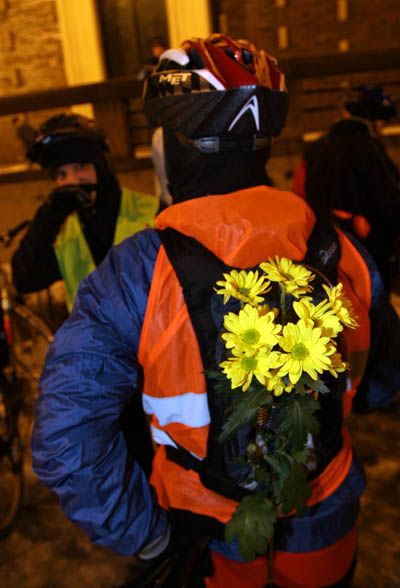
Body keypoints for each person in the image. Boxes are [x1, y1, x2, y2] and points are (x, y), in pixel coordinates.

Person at [32, 35, 400, 587]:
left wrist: (147, 533)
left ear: (175, 143)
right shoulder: (339, 248)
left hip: (209, 529)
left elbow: (66, 439)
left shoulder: (135, 272)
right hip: (325, 511)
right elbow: (383, 385)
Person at [11, 113, 161, 311]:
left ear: (101, 168)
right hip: (93, 340)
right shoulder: (63, 232)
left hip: (154, 337)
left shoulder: (153, 212)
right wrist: (48, 216)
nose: (72, 181)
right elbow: (25, 279)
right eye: (61, 175)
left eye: (80, 167)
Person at [292, 84, 400, 289]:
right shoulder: (368, 146)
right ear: (375, 122)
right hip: (367, 250)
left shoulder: (314, 150)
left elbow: (298, 197)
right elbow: (388, 201)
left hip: (324, 249)